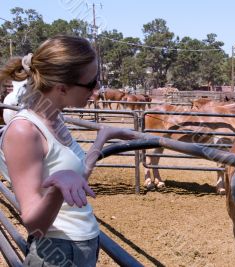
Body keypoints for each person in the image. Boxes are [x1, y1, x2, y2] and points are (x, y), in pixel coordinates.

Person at [0, 35, 135, 266]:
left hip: (82, 243)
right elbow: (34, 225)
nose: (96, 91)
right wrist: (56, 188)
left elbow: (76, 180)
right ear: (62, 88)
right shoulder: (25, 131)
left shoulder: (55, 119)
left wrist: (100, 140)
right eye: (91, 83)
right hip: (57, 252)